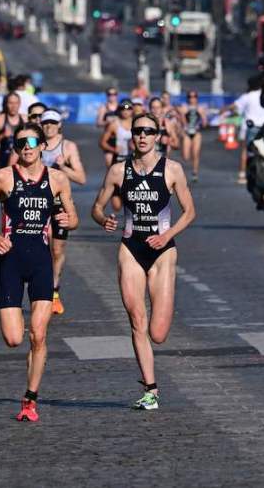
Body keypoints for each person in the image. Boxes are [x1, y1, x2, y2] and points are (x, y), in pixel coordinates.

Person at [90, 112, 196, 410]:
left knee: (158, 333)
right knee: (137, 320)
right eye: (138, 131)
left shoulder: (172, 170)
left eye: (149, 131)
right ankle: (151, 389)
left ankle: (161, 320)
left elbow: (190, 212)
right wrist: (103, 220)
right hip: (131, 248)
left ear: (157, 135)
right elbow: (96, 207)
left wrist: (167, 236)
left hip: (163, 252)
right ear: (131, 136)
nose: (143, 136)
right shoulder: (118, 171)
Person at [0, 123, 77, 422]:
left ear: (42, 145)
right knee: (14, 339)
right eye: (20, 143)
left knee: (39, 335)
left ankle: (30, 399)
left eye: (32, 141)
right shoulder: (4, 178)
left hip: (41, 261)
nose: (26, 147)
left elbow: (74, 219)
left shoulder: (57, 180)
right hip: (12, 260)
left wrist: (66, 220)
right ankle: (29, 392)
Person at [38, 110, 85, 316]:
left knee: (57, 250)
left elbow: (81, 178)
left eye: (52, 123)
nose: (49, 126)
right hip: (38, 203)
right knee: (43, 244)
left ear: (59, 125)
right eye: (45, 123)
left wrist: (63, 166)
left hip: (60, 204)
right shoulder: (35, 145)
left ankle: (54, 291)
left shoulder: (68, 147)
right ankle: (41, 291)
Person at [230, 76, 264, 184]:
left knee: (246, 151)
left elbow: (234, 107)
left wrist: (223, 112)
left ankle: (242, 174)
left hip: (249, 127)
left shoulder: (248, 96)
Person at [0, 92, 23, 171]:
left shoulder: (24, 119)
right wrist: (2, 135)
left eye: (16, 103)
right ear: (6, 104)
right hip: (4, 163)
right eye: (10, 103)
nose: (13, 106)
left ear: (19, 104)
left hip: (22, 164)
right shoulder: (0, 120)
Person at [181, 90, 207, 182]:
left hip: (197, 133)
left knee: (195, 153)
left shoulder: (201, 108)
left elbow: (204, 124)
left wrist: (202, 116)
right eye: (190, 97)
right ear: (188, 98)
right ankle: (184, 171)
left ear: (197, 98)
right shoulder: (184, 108)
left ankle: (195, 173)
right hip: (187, 132)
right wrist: (186, 127)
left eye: (194, 96)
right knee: (186, 156)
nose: (192, 99)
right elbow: (182, 121)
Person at [96, 88, 120, 166]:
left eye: (114, 94)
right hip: (108, 138)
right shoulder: (103, 107)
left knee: (122, 165)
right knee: (110, 165)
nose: (112, 97)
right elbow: (98, 123)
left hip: (120, 138)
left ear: (117, 95)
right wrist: (107, 122)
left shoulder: (121, 107)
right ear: (107, 96)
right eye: (110, 94)